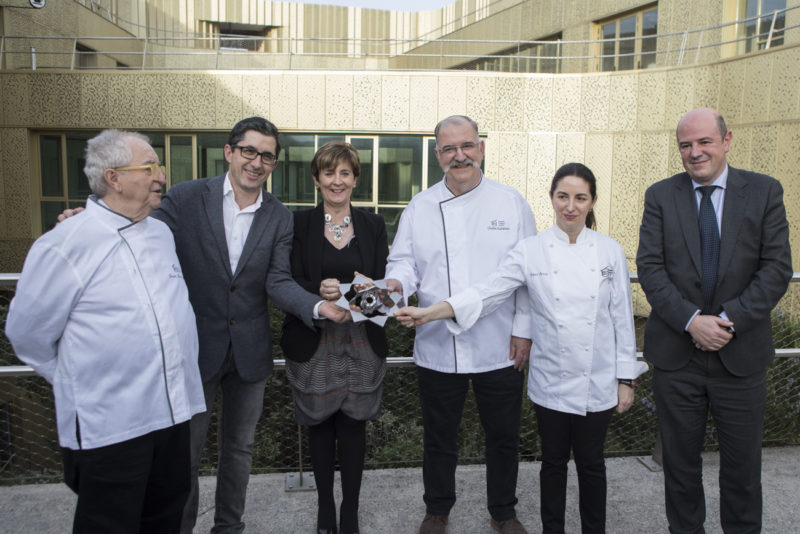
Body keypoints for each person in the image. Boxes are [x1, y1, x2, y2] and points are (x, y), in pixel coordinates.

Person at [58, 117, 349, 533]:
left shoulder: (279, 216)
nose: (257, 162)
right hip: (193, 351)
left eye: (267, 156)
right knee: (185, 455)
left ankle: (229, 527)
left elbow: (277, 281)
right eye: (249, 151)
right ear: (230, 152)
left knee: (240, 450)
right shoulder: (187, 197)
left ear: (274, 164)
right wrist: (87, 219)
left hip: (249, 352)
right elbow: (135, 227)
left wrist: (318, 307)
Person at [395, 162, 648, 534]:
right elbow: (488, 291)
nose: (571, 206)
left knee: (593, 464)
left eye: (580, 198)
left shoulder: (610, 251)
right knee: (552, 464)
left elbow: (623, 320)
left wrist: (626, 378)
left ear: (593, 201)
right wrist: (431, 312)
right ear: (551, 198)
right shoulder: (532, 250)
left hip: (596, 378)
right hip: (552, 380)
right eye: (563, 196)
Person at [5, 129, 206, 533]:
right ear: (113, 178)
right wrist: (79, 379)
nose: (161, 177)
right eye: (150, 168)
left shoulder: (160, 234)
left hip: (172, 414)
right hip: (112, 424)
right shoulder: (64, 243)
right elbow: (26, 333)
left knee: (165, 518)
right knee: (109, 523)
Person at [636, 108, 792, 533]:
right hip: (677, 358)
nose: (695, 152)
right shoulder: (661, 195)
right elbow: (650, 268)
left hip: (740, 356)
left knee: (743, 471)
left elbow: (777, 268)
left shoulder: (764, 191)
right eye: (685, 145)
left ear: (726, 141)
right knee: (679, 469)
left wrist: (726, 320)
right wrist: (692, 321)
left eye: (704, 142)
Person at [385, 115, 537, 534]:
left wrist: (524, 329)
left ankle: (503, 511)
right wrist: (397, 284)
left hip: (499, 344)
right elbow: (404, 263)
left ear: (481, 149)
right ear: (438, 155)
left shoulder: (511, 202)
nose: (460, 156)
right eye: (449, 149)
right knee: (438, 436)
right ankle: (437, 509)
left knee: (503, 436)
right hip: (437, 343)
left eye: (467, 146)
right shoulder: (420, 206)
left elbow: (528, 275)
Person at [280, 141, 389, 534]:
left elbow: (384, 289)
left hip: (361, 338)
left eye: (345, 173)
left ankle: (351, 511)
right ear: (316, 179)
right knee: (320, 426)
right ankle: (325, 510)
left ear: (355, 179)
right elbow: (285, 281)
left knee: (354, 427)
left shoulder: (374, 225)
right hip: (315, 338)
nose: (337, 181)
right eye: (329, 173)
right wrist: (319, 293)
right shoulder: (297, 224)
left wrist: (356, 299)